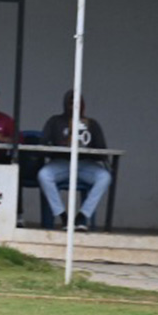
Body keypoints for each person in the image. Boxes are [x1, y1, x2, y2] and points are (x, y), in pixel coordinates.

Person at [37, 90, 112, 232]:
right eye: (71, 102)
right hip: (61, 163)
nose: (74, 106)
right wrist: (61, 144)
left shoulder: (92, 124)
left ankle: (82, 216)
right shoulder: (55, 121)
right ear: (65, 104)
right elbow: (43, 143)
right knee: (44, 175)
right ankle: (62, 215)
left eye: (78, 102)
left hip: (85, 164)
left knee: (105, 177)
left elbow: (102, 150)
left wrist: (86, 147)